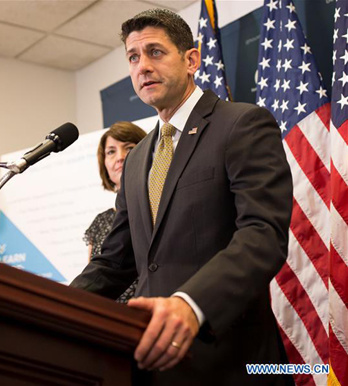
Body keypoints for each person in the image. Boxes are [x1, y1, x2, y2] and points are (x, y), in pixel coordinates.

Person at [70, 8, 293, 385]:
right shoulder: (138, 157)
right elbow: (115, 261)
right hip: (153, 365)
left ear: (192, 60)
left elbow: (262, 234)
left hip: (232, 361)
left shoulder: (241, 124)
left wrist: (191, 304)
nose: (142, 66)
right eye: (133, 57)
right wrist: (57, 303)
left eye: (155, 52)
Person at [83, 122, 146, 303]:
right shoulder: (100, 221)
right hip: (106, 316)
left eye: (129, 148)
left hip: (147, 310)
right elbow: (95, 275)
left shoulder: (156, 205)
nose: (120, 157)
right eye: (111, 151)